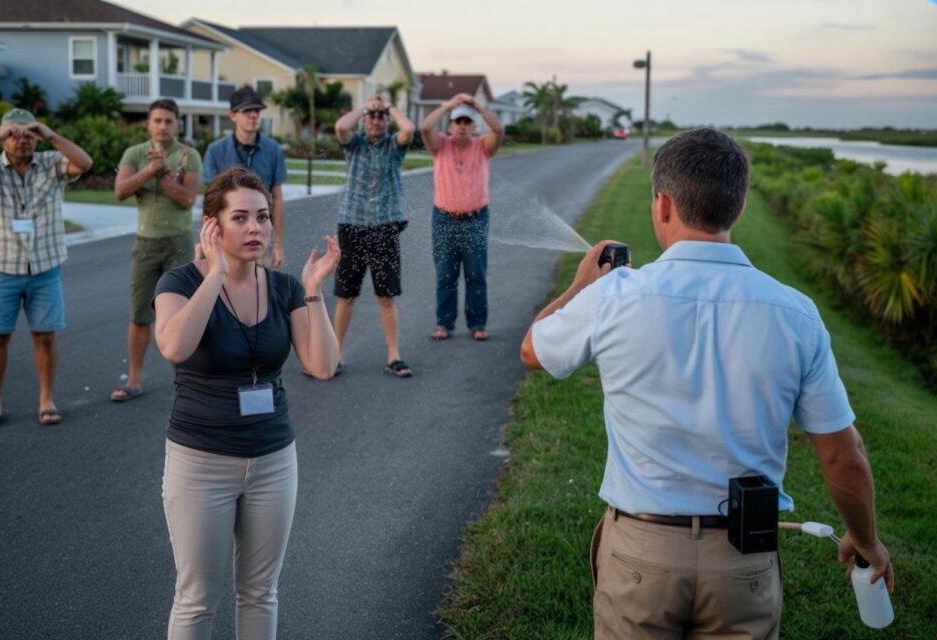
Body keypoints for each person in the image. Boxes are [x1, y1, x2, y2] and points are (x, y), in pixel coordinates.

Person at [520, 128, 893, 639]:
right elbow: (842, 455)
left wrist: (581, 285)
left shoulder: (614, 297)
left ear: (663, 204)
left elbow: (533, 350)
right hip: (744, 558)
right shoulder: (795, 313)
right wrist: (865, 539)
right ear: (737, 210)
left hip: (640, 554)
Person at [153, 166, 340, 638]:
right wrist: (215, 273)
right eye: (240, 218)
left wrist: (315, 291)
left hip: (274, 459)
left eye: (263, 216)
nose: (255, 228)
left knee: (261, 591)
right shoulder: (177, 283)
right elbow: (175, 347)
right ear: (212, 225)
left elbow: (322, 365)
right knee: (196, 599)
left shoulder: (284, 288)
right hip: (201, 461)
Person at [0, 108, 92, 428]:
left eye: (29, 134)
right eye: (14, 134)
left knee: (45, 336)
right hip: (1, 268)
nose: (22, 140)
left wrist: (51, 135)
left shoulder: (53, 164)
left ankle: (46, 399)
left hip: (44, 267)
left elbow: (85, 163)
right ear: (3, 138)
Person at [109, 99, 202, 402]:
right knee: (139, 314)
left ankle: (192, 380)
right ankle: (133, 379)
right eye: (157, 121)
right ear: (148, 124)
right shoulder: (134, 154)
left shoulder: (188, 155)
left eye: (169, 121)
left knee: (185, 313)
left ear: (178, 124)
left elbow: (188, 199)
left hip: (179, 241)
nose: (163, 126)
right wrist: (151, 169)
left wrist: (161, 174)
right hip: (145, 243)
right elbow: (121, 191)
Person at [330, 94, 416, 377]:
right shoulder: (355, 143)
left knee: (386, 297)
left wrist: (388, 106)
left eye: (381, 117)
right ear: (365, 120)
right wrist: (366, 107)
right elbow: (340, 127)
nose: (377, 121)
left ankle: (394, 355)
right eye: (372, 116)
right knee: (346, 296)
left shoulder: (394, 146)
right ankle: (334, 354)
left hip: (385, 227)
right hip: (352, 226)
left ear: (387, 121)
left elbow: (409, 131)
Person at [420, 92, 504, 341]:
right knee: (446, 273)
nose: (463, 127)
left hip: (476, 218)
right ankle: (444, 323)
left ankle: (477, 324)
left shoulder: (482, 147)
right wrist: (446, 103)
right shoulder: (440, 145)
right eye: (458, 122)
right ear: (451, 125)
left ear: (473, 126)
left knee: (475, 274)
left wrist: (476, 105)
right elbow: (425, 128)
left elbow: (498, 130)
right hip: (444, 218)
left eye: (467, 122)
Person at [202, 87, 288, 268]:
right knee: (223, 289)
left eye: (257, 110)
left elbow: (277, 198)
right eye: (247, 111)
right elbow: (209, 201)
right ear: (232, 115)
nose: (253, 115)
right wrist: (209, 240)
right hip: (226, 236)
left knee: (263, 289)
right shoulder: (216, 150)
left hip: (260, 234)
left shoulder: (273, 150)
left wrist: (278, 244)